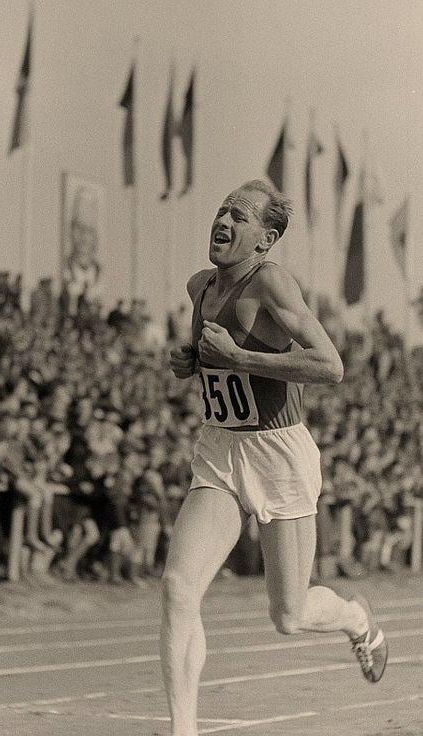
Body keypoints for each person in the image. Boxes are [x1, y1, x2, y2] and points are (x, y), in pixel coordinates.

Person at [161, 179, 388, 736]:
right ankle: (183, 729)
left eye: (239, 215)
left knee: (288, 616)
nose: (223, 220)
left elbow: (329, 366)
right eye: (221, 208)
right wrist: (191, 361)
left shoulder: (273, 284)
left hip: (278, 452)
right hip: (220, 449)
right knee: (178, 587)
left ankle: (357, 619)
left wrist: (238, 356)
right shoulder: (199, 286)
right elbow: (213, 361)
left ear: (265, 239)